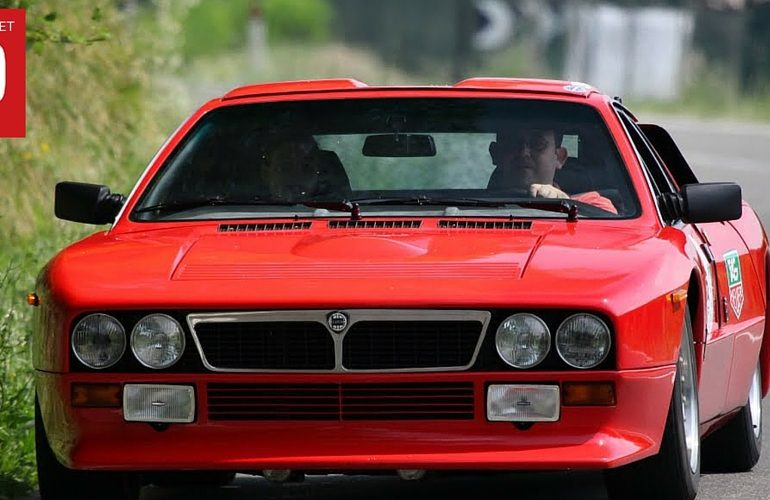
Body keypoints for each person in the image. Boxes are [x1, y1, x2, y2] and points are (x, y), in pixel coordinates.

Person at [486, 126, 617, 214]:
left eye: (538, 144)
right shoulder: (466, 209)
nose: (523, 152)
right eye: (512, 143)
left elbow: (613, 235)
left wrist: (563, 202)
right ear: (495, 153)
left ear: (559, 157)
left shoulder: (593, 205)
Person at [261, 135, 351, 201]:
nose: (296, 176)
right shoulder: (248, 213)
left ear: (318, 174)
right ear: (266, 173)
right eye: (286, 167)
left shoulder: (340, 212)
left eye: (306, 167)